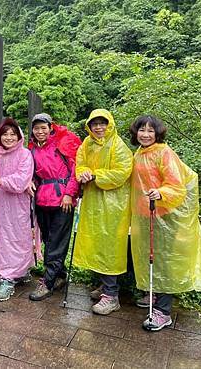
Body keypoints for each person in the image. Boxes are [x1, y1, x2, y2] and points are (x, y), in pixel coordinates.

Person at [129, 115, 201, 331]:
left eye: (150, 131)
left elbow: (176, 185)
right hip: (145, 215)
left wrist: (161, 192)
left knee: (164, 261)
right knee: (149, 255)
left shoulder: (164, 152)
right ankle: (153, 294)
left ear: (157, 134)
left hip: (164, 214)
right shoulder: (139, 153)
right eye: (141, 130)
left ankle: (163, 312)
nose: (145, 134)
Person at [72, 109, 133, 315]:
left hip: (114, 205)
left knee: (109, 248)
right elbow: (79, 166)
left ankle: (112, 295)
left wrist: (95, 175)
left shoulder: (118, 146)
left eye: (102, 123)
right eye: (94, 124)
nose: (99, 127)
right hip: (92, 203)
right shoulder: (86, 144)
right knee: (95, 243)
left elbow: (122, 173)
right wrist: (83, 173)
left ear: (110, 124)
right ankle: (105, 286)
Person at [27, 113, 81, 301]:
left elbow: (76, 170)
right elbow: (32, 171)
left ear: (51, 127)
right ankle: (59, 276)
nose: (40, 131)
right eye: (36, 128)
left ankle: (48, 282)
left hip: (62, 200)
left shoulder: (63, 143)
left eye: (44, 127)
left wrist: (69, 194)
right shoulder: (33, 148)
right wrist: (31, 181)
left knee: (57, 243)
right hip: (42, 198)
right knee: (49, 240)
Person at [0, 118, 34, 301]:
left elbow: (22, 179)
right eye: (5, 134)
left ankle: (20, 271)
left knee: (20, 238)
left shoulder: (25, 154)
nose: (8, 137)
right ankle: (7, 278)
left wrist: (0, 180)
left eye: (12, 134)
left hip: (19, 204)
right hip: (1, 205)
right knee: (4, 240)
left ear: (19, 136)